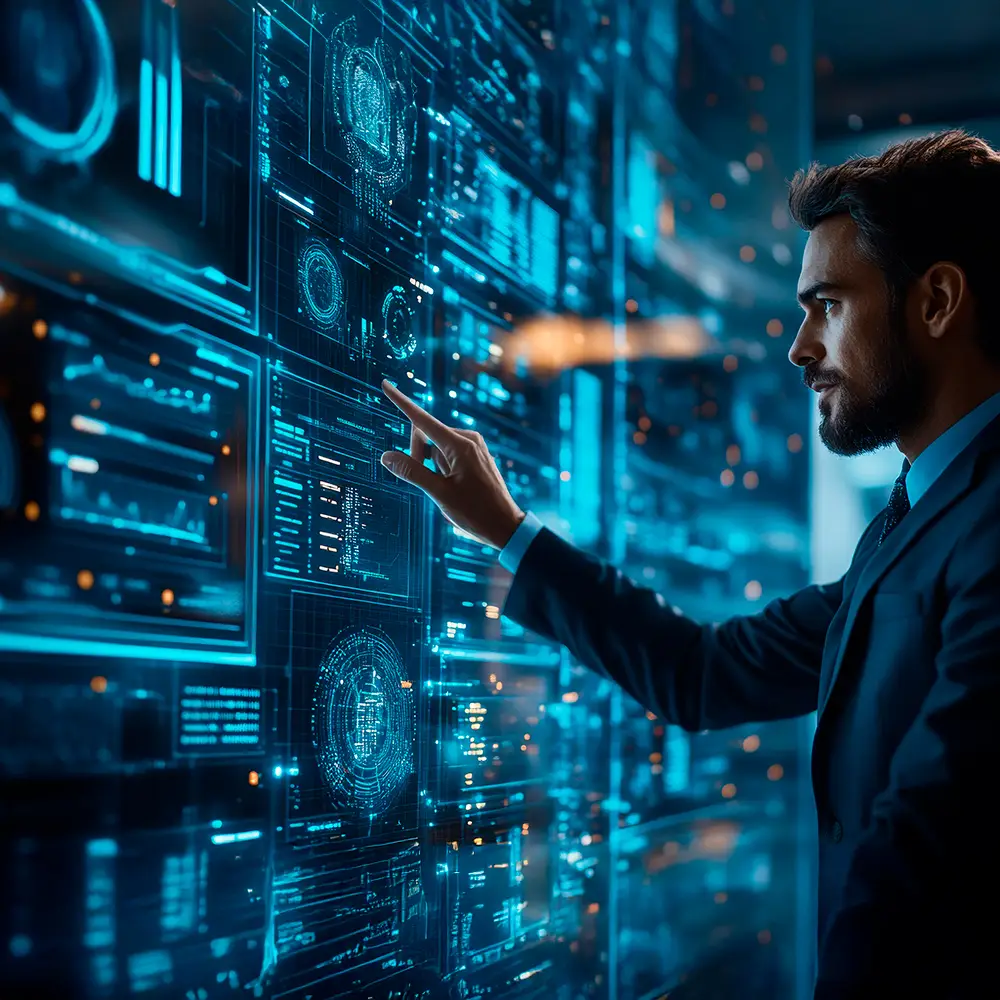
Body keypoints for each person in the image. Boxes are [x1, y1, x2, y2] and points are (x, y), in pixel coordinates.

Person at [379, 129, 1000, 997]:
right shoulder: (914, 522)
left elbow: (929, 842)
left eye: (828, 304)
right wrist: (510, 530)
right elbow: (703, 675)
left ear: (935, 301)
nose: (799, 347)